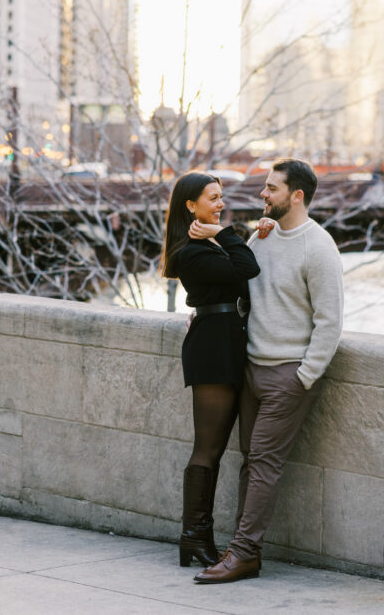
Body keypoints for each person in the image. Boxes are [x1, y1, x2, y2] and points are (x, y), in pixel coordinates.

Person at [195, 158, 344, 584]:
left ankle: (243, 554)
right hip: (251, 369)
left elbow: (330, 321)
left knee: (262, 462)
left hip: (287, 376)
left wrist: (305, 375)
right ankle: (244, 552)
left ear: (296, 196)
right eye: (265, 186)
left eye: (272, 188)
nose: (263, 194)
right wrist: (206, 314)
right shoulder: (263, 236)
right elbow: (246, 289)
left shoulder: (318, 247)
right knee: (250, 463)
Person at [160, 171, 260, 568]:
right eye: (212, 198)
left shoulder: (208, 242)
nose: (220, 203)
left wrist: (251, 230)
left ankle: (197, 538)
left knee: (215, 449)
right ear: (191, 205)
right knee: (208, 448)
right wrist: (228, 232)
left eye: (221, 197)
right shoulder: (190, 252)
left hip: (227, 340)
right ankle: (194, 538)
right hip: (212, 347)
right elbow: (246, 269)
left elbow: (243, 262)